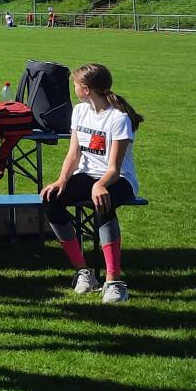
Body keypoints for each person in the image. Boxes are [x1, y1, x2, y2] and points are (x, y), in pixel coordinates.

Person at [40, 63, 144, 304]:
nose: (74, 88)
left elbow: (114, 168)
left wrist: (100, 185)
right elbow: (73, 154)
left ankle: (114, 282)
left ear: (86, 89)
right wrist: (61, 180)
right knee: (51, 199)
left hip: (119, 180)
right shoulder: (80, 111)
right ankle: (84, 272)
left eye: (75, 85)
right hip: (87, 176)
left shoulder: (118, 119)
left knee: (102, 203)